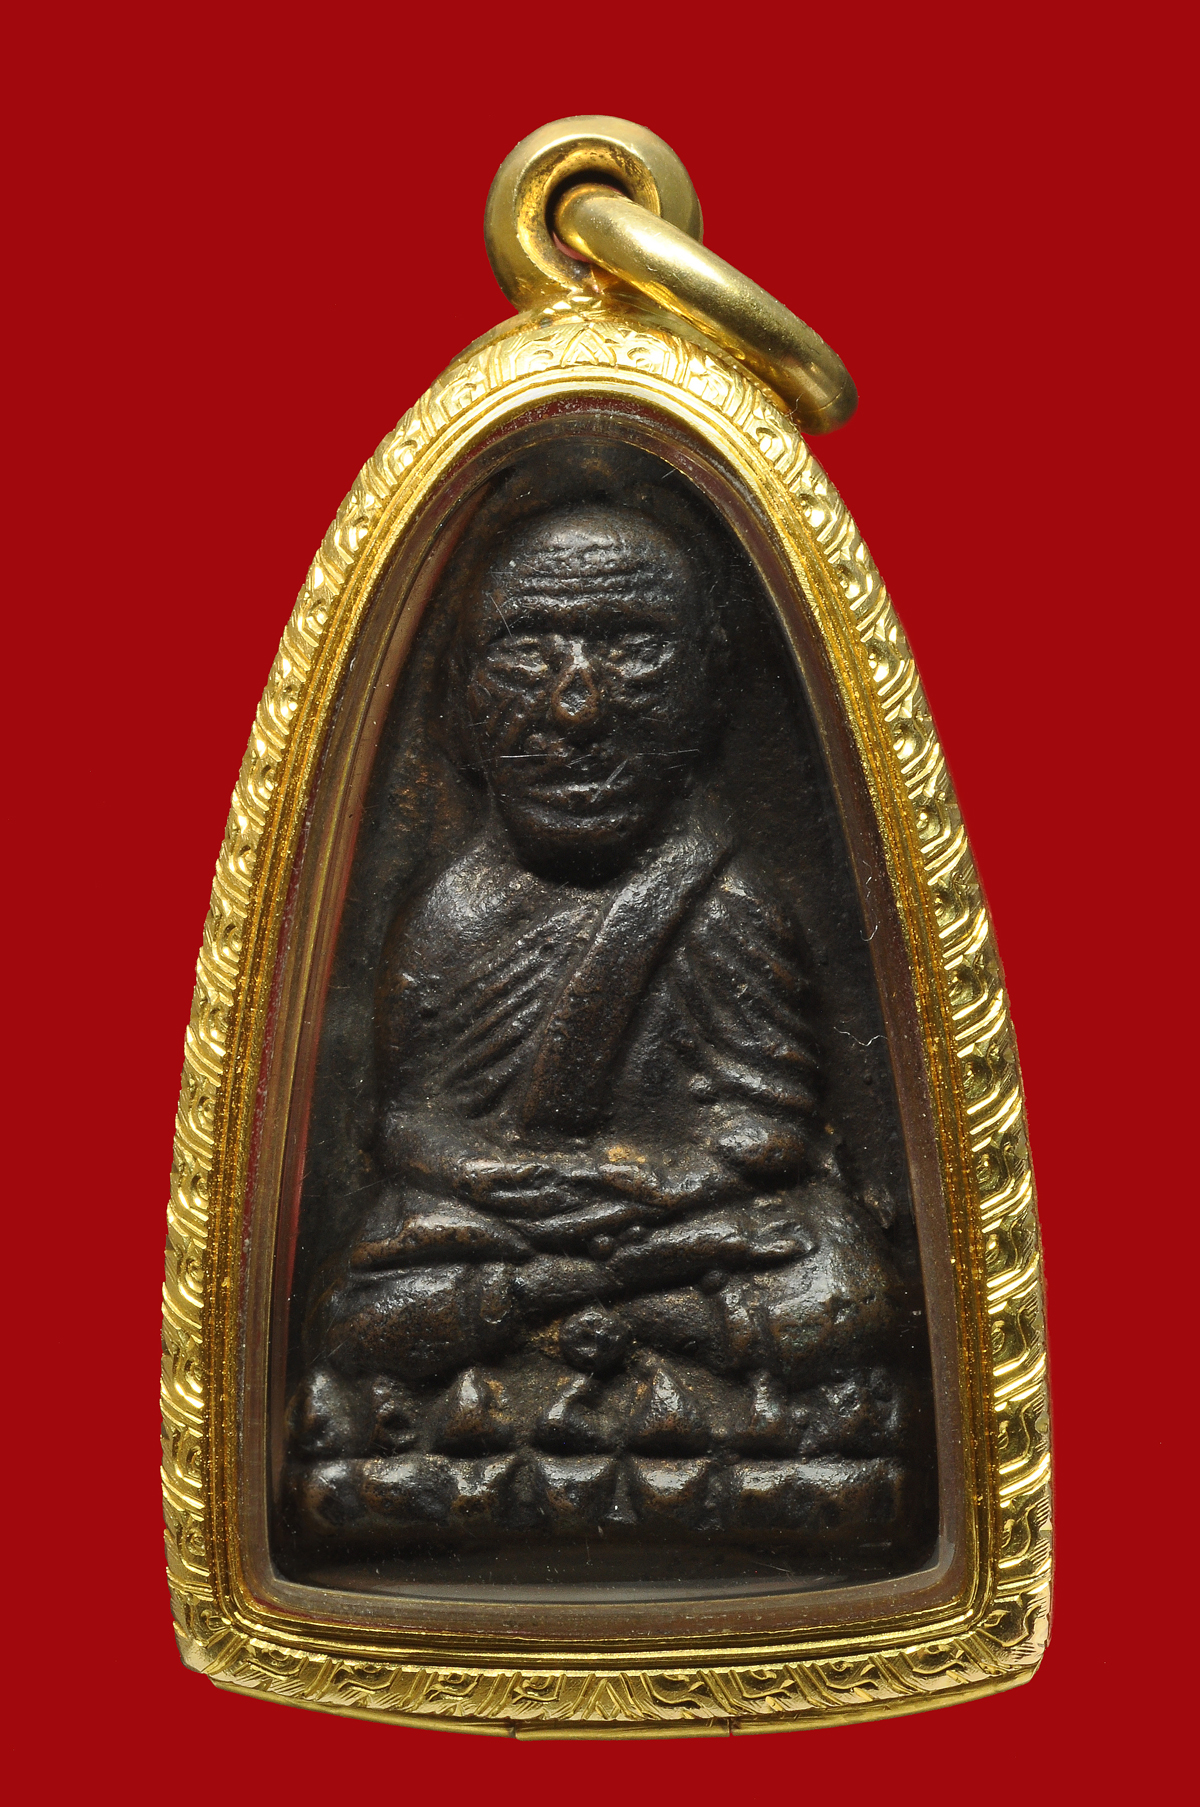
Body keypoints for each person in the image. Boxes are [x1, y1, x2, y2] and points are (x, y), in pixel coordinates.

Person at [288, 501, 929, 1559]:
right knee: (362, 1292)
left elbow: (775, 1126)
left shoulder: (725, 901)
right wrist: (514, 1184)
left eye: (630, 649)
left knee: (844, 1277)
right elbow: (406, 1127)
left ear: (708, 695)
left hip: (675, 1229)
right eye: (526, 653)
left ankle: (550, 1355)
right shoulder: (450, 915)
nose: (577, 706)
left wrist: (664, 1188)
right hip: (528, 1230)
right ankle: (611, 1354)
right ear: (460, 701)